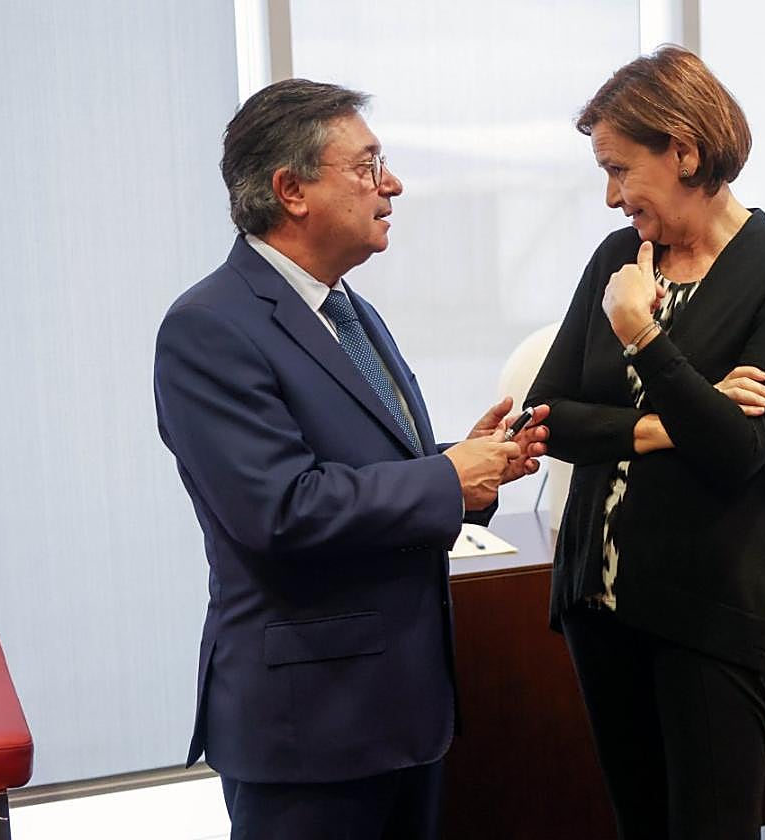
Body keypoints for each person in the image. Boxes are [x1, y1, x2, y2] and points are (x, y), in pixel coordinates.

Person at [153, 78, 547, 840]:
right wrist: (443, 477)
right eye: (366, 167)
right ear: (290, 190)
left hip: (403, 712)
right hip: (310, 729)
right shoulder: (209, 328)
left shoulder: (348, 307)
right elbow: (280, 509)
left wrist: (474, 467)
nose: (391, 185)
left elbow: (363, 466)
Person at [525, 46, 765, 839]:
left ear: (685, 150)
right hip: (600, 603)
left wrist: (642, 335)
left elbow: (737, 448)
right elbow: (549, 416)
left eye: (621, 169)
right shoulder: (617, 259)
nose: (611, 196)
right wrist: (667, 424)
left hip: (714, 614)